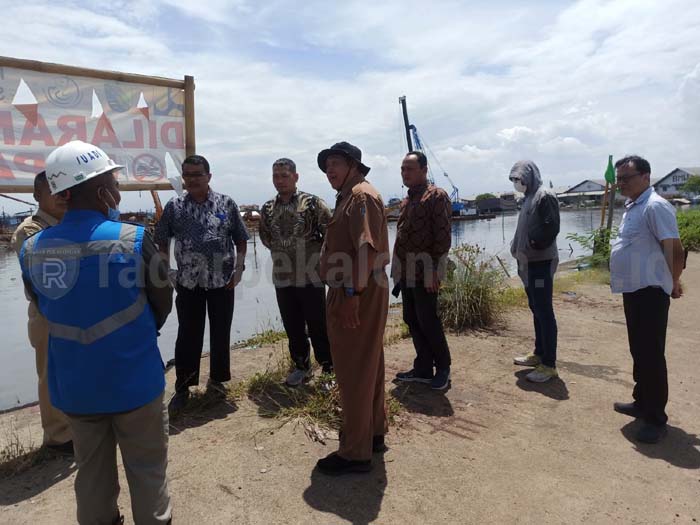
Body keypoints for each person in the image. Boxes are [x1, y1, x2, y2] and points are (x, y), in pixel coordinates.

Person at [19, 140, 173, 524]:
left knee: (91, 478)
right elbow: (162, 297)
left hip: (74, 387)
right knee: (148, 473)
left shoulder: (31, 249)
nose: (118, 190)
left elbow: (40, 304)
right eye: (113, 180)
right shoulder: (133, 239)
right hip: (135, 381)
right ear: (100, 188)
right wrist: (138, 334)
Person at [316, 141, 390, 475]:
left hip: (357, 289)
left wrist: (351, 294)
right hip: (359, 288)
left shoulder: (359, 196)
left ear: (354, 165)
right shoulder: (351, 196)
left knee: (354, 369)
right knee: (368, 365)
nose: (329, 170)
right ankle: (372, 433)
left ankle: (355, 452)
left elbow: (366, 252)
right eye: (327, 165)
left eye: (335, 163)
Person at [154, 155, 249, 413]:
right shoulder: (175, 206)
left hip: (222, 281)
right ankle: (183, 387)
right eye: (187, 175)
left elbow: (241, 239)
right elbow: (161, 239)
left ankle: (218, 381)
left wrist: (238, 270)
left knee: (221, 332)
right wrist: (167, 270)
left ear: (209, 176)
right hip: (188, 283)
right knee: (187, 335)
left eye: (197, 174)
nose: (192, 179)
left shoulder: (226, 203)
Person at [610, 155, 684, 444]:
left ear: (646, 176)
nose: (621, 184)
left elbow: (675, 250)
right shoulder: (633, 206)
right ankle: (641, 401)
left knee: (652, 355)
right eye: (618, 179)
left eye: (626, 178)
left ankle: (656, 417)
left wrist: (673, 282)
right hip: (634, 290)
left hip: (652, 292)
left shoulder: (655, 206)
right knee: (638, 350)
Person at [11, 171, 73, 454]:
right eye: (53, 190)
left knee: (71, 371)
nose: (61, 196)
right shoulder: (30, 229)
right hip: (46, 313)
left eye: (64, 190)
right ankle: (58, 437)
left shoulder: (67, 223)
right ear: (37, 195)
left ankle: (73, 428)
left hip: (73, 312)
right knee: (50, 375)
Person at [259, 158, 333, 386]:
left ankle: (329, 368)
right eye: (275, 176)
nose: (279, 180)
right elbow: (265, 237)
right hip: (283, 278)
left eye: (284, 175)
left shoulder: (312, 203)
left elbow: (330, 234)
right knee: (292, 326)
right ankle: (302, 366)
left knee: (319, 324)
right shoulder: (268, 208)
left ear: (295, 177)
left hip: (311, 276)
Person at [392, 151, 453, 390]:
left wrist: (433, 272)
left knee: (429, 321)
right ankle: (423, 367)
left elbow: (442, 239)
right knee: (412, 319)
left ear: (424, 170)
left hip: (424, 274)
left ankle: (443, 368)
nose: (405, 173)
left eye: (410, 168)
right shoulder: (408, 199)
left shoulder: (436, 196)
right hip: (406, 273)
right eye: (403, 169)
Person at [509, 160, 561, 383]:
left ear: (529, 176)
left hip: (540, 263)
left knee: (544, 311)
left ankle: (549, 364)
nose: (517, 183)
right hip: (528, 264)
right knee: (535, 308)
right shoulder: (528, 197)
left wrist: (533, 243)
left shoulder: (544, 195)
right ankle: (539, 353)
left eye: (519, 179)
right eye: (513, 180)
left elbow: (551, 227)